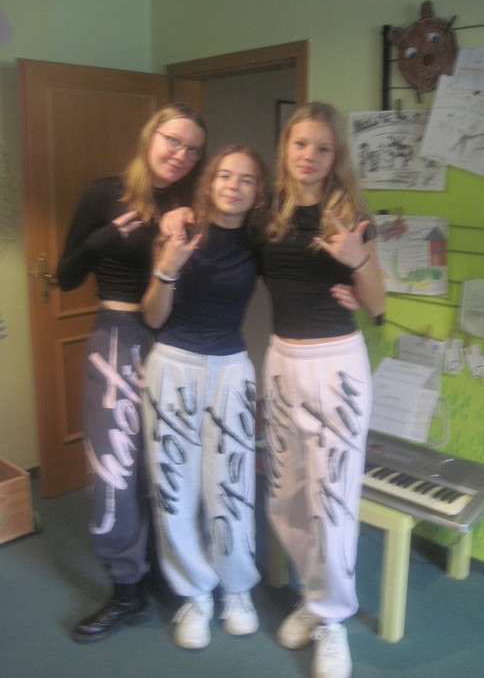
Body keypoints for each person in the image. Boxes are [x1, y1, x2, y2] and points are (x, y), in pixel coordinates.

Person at [56, 102, 207, 643]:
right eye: (173, 140)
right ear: (151, 135)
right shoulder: (105, 194)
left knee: (170, 464)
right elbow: (65, 276)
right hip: (119, 338)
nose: (181, 154)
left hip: (179, 342)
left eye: (193, 149)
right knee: (115, 469)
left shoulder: (197, 203)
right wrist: (101, 242)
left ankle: (171, 566)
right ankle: (126, 588)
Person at [259, 102, 385, 678]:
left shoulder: (351, 216)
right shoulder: (268, 214)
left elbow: (377, 305)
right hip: (281, 362)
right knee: (285, 496)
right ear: (286, 148)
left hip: (336, 366)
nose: (309, 156)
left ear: (337, 158)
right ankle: (315, 597)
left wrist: (359, 265)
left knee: (330, 500)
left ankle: (333, 620)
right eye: (300, 144)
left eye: (323, 148)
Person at [141, 145, 269, 650]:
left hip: (230, 371)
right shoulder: (180, 230)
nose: (234, 186)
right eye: (225, 175)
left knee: (232, 488)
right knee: (174, 488)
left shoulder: (259, 241)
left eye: (246, 179)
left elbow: (299, 276)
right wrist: (167, 267)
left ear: (258, 192)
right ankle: (195, 594)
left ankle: (236, 590)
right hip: (172, 364)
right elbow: (153, 316)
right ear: (209, 182)